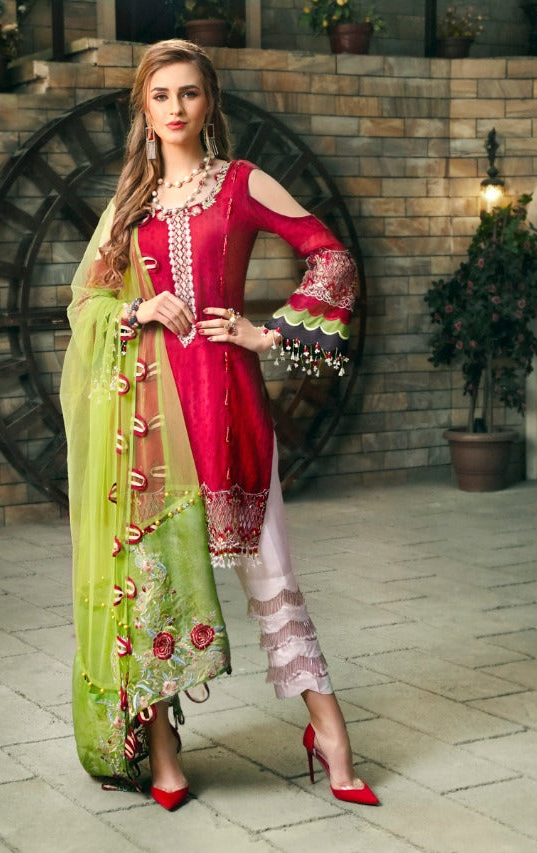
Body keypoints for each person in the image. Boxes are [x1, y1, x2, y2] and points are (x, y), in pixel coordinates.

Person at [60, 39, 377, 811]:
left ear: (210, 103)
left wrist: (268, 334)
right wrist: (139, 308)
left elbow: (332, 259)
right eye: (161, 95)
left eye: (189, 93)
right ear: (144, 108)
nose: (175, 108)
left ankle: (331, 736)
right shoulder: (130, 205)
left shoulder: (239, 183)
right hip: (148, 420)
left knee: (272, 573)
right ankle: (164, 753)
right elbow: (88, 303)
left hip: (228, 404)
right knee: (151, 587)